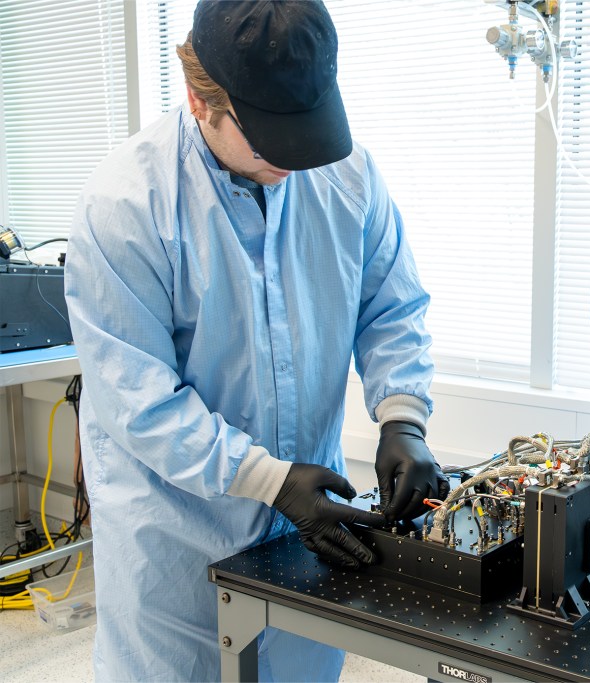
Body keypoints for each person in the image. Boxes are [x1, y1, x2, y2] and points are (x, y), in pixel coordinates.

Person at [65, 1, 449, 680]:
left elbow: (392, 305)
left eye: (308, 131)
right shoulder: (125, 207)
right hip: (178, 536)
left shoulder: (348, 175)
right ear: (201, 99)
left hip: (307, 532)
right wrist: (267, 479)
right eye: (272, 138)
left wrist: (403, 418)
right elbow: (140, 400)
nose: (295, 161)